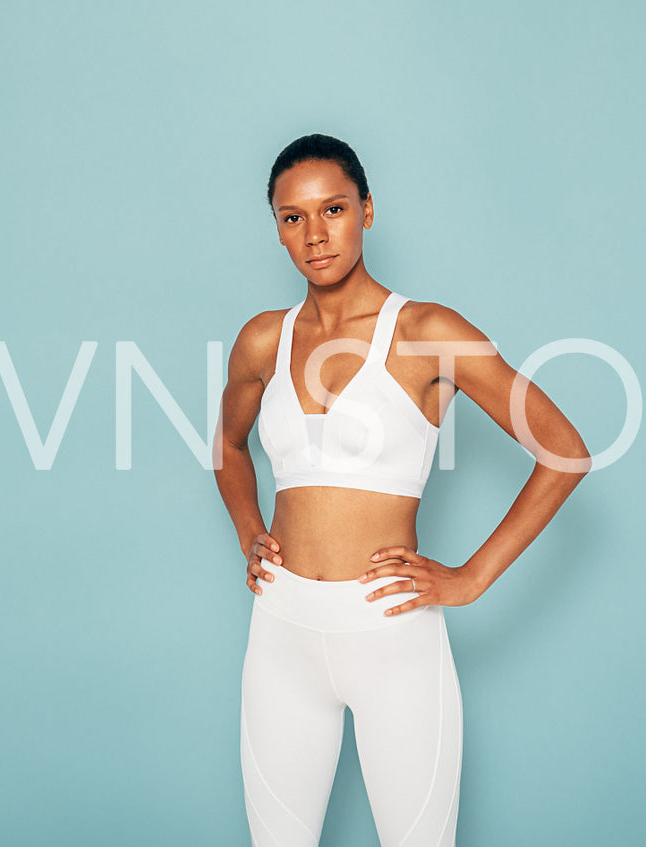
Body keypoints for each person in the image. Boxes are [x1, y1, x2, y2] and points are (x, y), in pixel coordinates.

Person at [213, 133, 591, 847]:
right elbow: (226, 449)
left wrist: (472, 577)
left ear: (368, 210)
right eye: (292, 217)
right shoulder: (262, 339)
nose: (315, 234)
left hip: (390, 635)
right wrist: (246, 527)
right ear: (276, 228)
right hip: (281, 631)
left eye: (333, 209)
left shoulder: (425, 332)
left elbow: (563, 451)